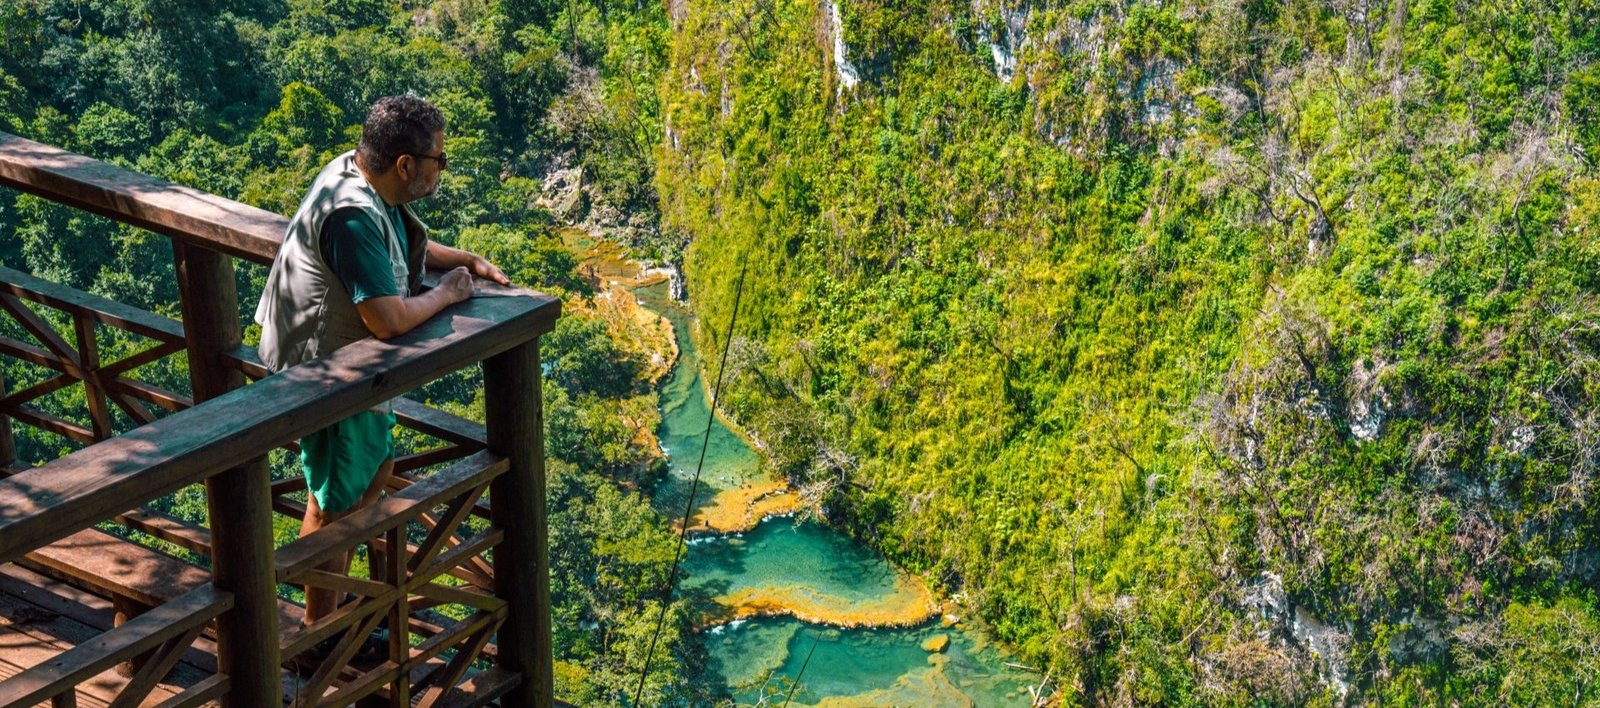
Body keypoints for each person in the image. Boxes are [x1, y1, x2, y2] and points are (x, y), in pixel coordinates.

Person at [254, 95, 509, 639]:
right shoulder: (351, 215)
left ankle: (341, 619)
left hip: (350, 372)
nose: (442, 168)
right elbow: (388, 319)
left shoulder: (362, 176)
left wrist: (463, 258)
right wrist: (447, 293)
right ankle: (320, 637)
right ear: (405, 166)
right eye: (439, 159)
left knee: (369, 479)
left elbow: (396, 245)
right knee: (335, 505)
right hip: (326, 377)